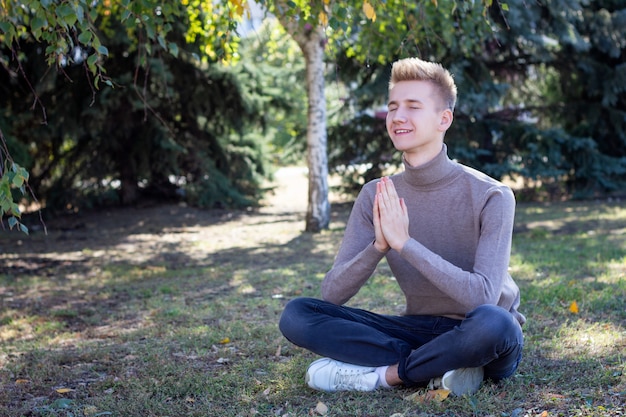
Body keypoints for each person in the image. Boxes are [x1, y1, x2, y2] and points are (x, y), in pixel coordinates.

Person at [278, 57, 525, 396]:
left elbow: (482, 297)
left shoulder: (492, 195)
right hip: (417, 329)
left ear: (444, 119)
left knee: (494, 324)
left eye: (413, 106)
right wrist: (378, 246)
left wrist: (405, 244)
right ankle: (446, 365)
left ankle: (387, 376)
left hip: (483, 330)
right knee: (298, 314)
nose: (398, 117)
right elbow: (332, 294)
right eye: (393, 107)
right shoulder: (375, 195)